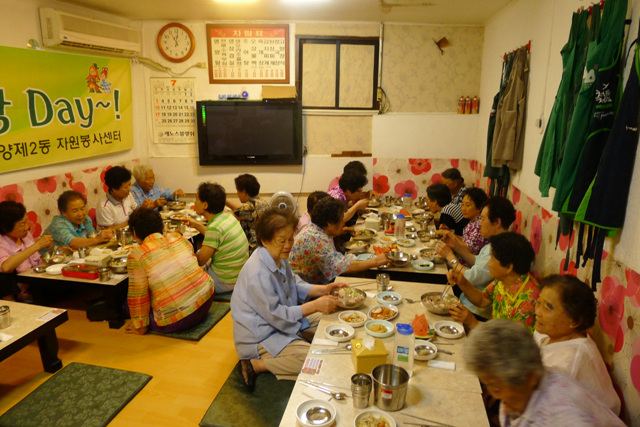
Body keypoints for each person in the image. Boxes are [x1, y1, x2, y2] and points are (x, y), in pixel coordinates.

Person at [231, 209, 346, 390]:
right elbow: (277, 315)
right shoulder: (257, 273)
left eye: (290, 239)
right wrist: (315, 305)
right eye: (281, 241)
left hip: (283, 320)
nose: (288, 245)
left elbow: (294, 283)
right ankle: (257, 364)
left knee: (332, 318)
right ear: (265, 240)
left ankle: (294, 345)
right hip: (262, 333)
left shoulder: (277, 256)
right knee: (314, 361)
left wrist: (323, 290)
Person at [464, 319, 624, 426]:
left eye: (496, 388)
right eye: (489, 385)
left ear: (531, 377)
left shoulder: (565, 418)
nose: (494, 396)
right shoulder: (525, 389)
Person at [534, 274, 620, 414]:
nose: (538, 312)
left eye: (548, 307)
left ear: (574, 321)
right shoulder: (548, 333)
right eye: (538, 302)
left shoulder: (571, 359)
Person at [125, 207, 214, 335]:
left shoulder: (137, 255)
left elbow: (139, 295)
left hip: (181, 318)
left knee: (127, 306)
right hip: (207, 299)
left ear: (134, 233)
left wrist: (140, 326)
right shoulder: (176, 237)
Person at [437, 196, 516, 321]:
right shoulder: (493, 245)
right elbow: (478, 262)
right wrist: (456, 246)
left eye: (483, 219)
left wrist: (450, 256)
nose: (479, 223)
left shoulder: (503, 251)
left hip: (475, 312)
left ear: (497, 222)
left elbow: (473, 277)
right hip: (468, 301)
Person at [448, 232, 539, 332]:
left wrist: (472, 322)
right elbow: (482, 300)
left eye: (492, 258)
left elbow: (510, 344)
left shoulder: (529, 301)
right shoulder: (504, 280)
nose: (489, 264)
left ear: (508, 267)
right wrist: (462, 281)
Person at [289, 197, 388, 284]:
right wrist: (376, 261)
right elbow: (341, 267)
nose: (343, 223)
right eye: (341, 220)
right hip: (307, 291)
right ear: (329, 223)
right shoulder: (317, 239)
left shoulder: (317, 229)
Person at [186, 182, 248, 293]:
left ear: (205, 205)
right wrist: (195, 224)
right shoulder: (228, 216)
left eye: (196, 199)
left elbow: (200, 260)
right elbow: (215, 238)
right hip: (238, 277)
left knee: (187, 279)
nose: (195, 202)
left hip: (224, 282)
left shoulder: (214, 228)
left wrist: (186, 250)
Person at [0, 201, 53, 300]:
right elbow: (6, 267)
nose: (26, 227)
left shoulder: (25, 235)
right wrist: (37, 246)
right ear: (6, 228)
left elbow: (34, 256)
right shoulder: (2, 243)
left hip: (37, 281)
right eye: (21, 224)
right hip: (22, 291)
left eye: (26, 221)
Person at [45, 191, 114, 249]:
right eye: (75, 211)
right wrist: (97, 239)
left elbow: (92, 236)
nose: (80, 214)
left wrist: (104, 234)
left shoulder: (86, 219)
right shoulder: (58, 224)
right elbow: (73, 243)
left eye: (82, 209)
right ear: (63, 212)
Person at [225, 174, 269, 253]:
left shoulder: (248, 207)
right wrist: (225, 202)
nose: (237, 194)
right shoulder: (262, 202)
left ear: (244, 192)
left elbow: (230, 215)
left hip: (253, 249)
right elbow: (240, 210)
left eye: (238, 190)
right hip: (265, 246)